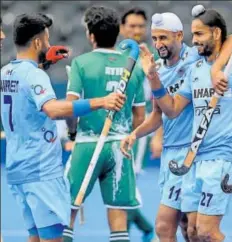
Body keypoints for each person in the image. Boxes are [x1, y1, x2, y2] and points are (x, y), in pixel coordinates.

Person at [137, 5, 232, 242]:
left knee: (208, 232)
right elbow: (172, 109)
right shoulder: (196, 69)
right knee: (191, 231)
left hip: (224, 156)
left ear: (216, 33)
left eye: (199, 34)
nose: (194, 41)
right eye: (193, 35)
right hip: (194, 159)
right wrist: (154, 78)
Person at [0, 13, 125, 242]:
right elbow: (53, 109)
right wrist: (101, 101)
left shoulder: (5, 72)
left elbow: (26, 96)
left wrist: (45, 61)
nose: (48, 44)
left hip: (17, 170)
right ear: (37, 42)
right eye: (46, 40)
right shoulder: (34, 75)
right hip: (41, 172)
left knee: (35, 236)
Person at [121, 11, 232, 242]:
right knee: (169, 228)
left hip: (194, 154)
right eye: (155, 39)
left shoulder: (195, 56)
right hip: (171, 154)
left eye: (163, 38)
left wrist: (215, 70)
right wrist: (134, 134)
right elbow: (158, 115)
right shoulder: (158, 70)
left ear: (179, 35)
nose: (158, 44)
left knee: (192, 230)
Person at [62, 6, 146, 242]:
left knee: (66, 211)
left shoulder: (81, 63)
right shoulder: (134, 68)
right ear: (117, 32)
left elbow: (71, 108)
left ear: (90, 34)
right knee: (118, 219)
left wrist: (72, 133)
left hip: (88, 144)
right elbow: (140, 117)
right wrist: (129, 139)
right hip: (120, 147)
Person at [120, 7, 159, 242]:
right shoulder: (114, 56)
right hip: (113, 130)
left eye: (140, 26)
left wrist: (158, 135)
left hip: (137, 132)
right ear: (122, 28)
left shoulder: (151, 59)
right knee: (120, 189)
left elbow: (159, 101)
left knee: (125, 187)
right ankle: (145, 228)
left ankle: (121, 235)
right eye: (131, 26)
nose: (136, 30)